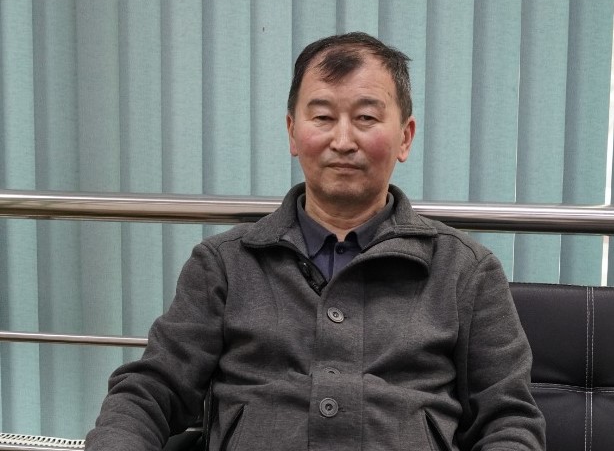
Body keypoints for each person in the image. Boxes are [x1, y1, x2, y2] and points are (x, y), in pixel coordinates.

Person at [85, 32, 546, 450]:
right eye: (323, 117)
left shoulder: (465, 270)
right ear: (292, 132)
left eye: (366, 117)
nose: (343, 140)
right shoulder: (223, 264)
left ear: (405, 137)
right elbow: (150, 391)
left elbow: (508, 422)